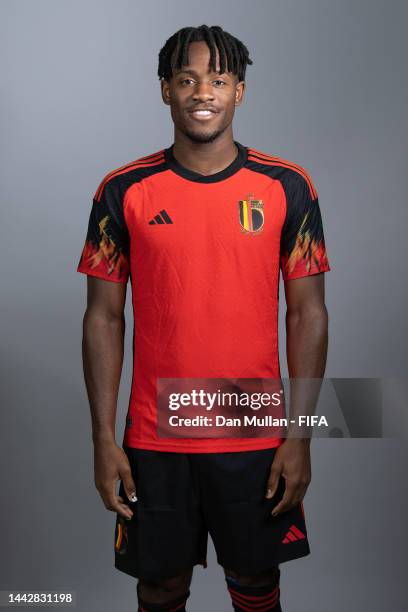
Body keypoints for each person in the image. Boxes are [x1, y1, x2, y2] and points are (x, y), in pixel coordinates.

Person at [77, 24, 330, 612]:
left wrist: (301, 436)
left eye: (218, 79)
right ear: (165, 89)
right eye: (186, 79)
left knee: (255, 580)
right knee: (160, 587)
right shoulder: (123, 190)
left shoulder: (287, 187)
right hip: (154, 437)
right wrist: (101, 437)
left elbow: (308, 313)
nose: (202, 93)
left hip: (254, 430)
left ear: (239, 92)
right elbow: (102, 320)